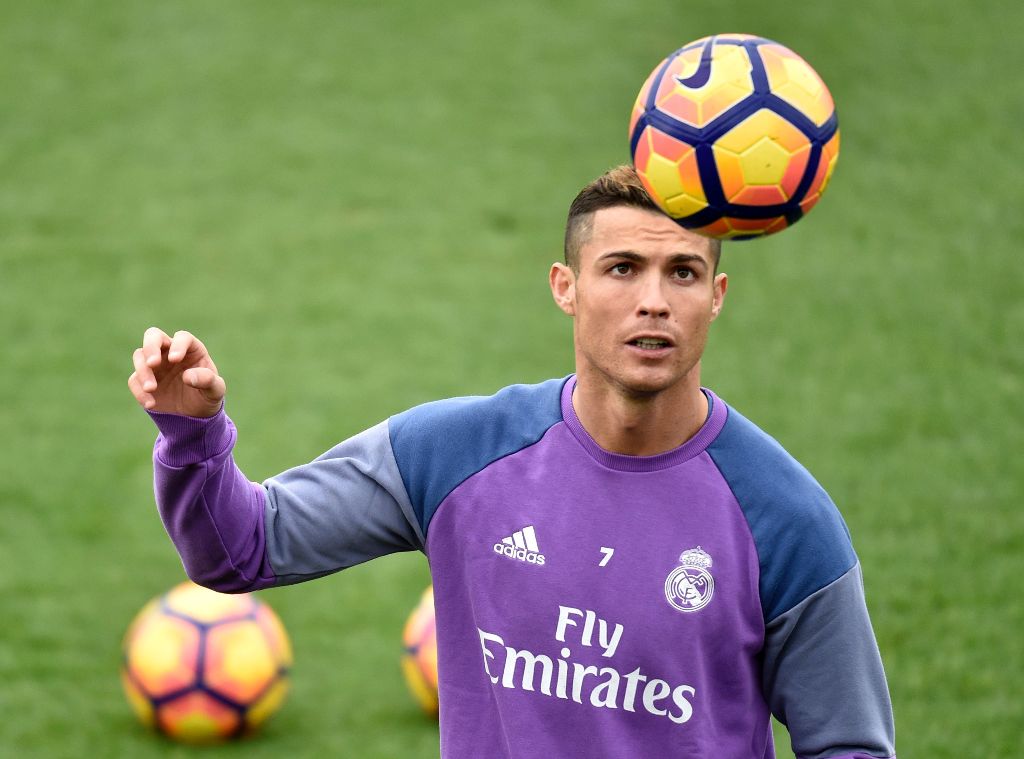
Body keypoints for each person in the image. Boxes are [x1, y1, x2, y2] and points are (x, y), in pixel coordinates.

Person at [129, 165, 896, 758]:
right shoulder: (454, 455)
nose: (654, 300)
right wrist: (191, 435)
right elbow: (242, 549)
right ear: (567, 287)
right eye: (623, 268)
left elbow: (851, 741)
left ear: (717, 295)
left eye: (683, 273)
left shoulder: (786, 520)